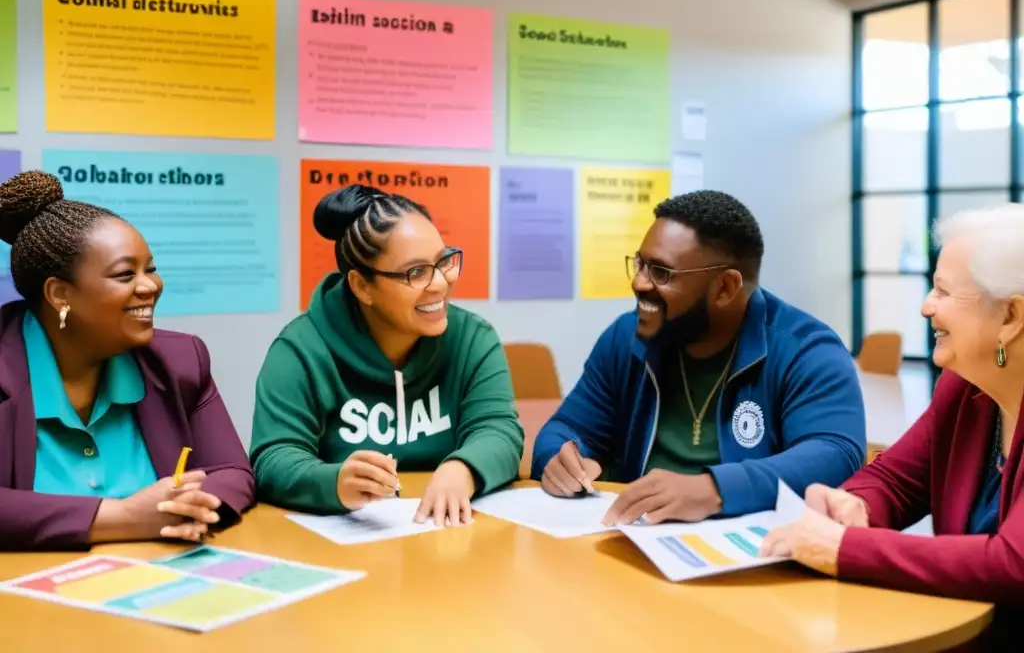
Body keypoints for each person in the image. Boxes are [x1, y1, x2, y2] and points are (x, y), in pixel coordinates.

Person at [761, 204, 1024, 632]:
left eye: (942, 291)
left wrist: (845, 548)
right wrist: (858, 504)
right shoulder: (963, 390)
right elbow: (896, 480)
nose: (925, 307)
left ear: (1010, 317)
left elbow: (1013, 563)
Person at [532, 190, 866, 525]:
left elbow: (837, 453)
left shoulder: (805, 350)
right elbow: (567, 428)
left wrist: (714, 490)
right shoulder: (626, 338)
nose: (638, 283)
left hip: (750, 557)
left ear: (725, 287)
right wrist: (558, 457)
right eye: (640, 264)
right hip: (631, 544)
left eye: (661, 272)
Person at [0, 171, 255, 551]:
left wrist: (188, 508)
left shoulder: (180, 360)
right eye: (125, 274)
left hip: (157, 582)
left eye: (150, 269)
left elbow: (232, 472)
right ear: (59, 294)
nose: (150, 286)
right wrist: (122, 518)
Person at [250, 184, 524, 526]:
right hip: (347, 543)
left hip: (448, 537)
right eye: (416, 272)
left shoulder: (473, 339)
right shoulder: (300, 349)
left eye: (443, 261)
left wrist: (461, 469)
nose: (440, 284)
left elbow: (500, 430)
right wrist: (334, 482)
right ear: (362, 286)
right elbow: (273, 458)